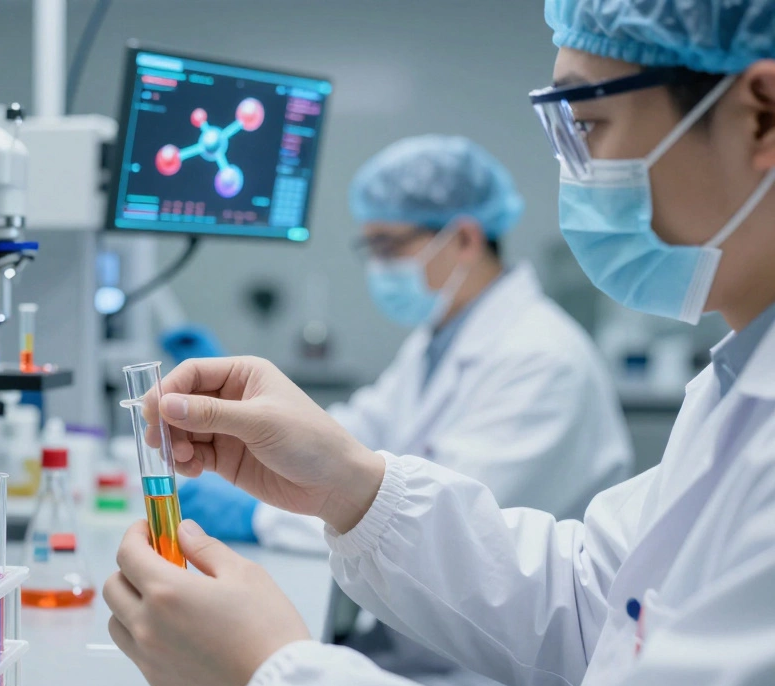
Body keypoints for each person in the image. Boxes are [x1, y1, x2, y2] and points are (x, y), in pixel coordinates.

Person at [103, 1, 775, 686]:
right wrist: (351, 488)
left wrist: (274, 679)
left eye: (585, 125)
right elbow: (591, 602)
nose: (572, 171)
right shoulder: (737, 390)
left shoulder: (548, 359)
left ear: (760, 116)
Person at [181, 135, 631, 557]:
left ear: (465, 239)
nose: (377, 265)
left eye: (389, 245)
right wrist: (251, 430)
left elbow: (444, 525)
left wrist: (260, 518)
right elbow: (356, 435)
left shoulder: (542, 360)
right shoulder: (439, 339)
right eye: (371, 247)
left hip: (501, 635)